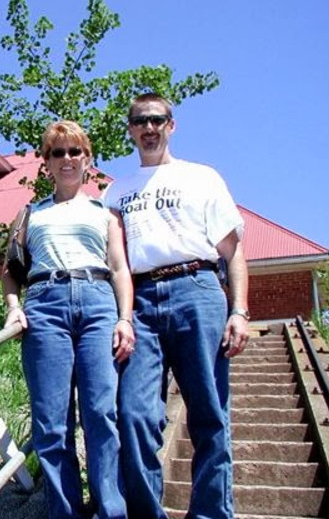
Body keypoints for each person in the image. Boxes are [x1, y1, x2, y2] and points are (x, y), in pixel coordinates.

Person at [104, 93, 250, 518]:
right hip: (142, 299)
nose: (149, 128)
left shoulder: (202, 177)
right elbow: (117, 261)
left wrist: (238, 309)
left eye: (157, 120)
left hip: (197, 289)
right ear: (130, 129)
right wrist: (124, 316)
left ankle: (209, 513)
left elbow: (233, 251)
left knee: (208, 413)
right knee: (133, 414)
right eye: (140, 121)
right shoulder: (117, 191)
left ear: (172, 125)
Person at [2, 120, 135, 519]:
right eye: (57, 152)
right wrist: (13, 306)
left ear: (87, 159)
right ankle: (64, 511)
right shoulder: (30, 214)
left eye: (74, 151)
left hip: (97, 304)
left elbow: (119, 269)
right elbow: (10, 271)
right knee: (52, 420)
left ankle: (109, 509)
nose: (67, 159)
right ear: (46, 162)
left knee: (101, 413)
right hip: (45, 306)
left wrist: (124, 318)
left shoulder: (105, 214)